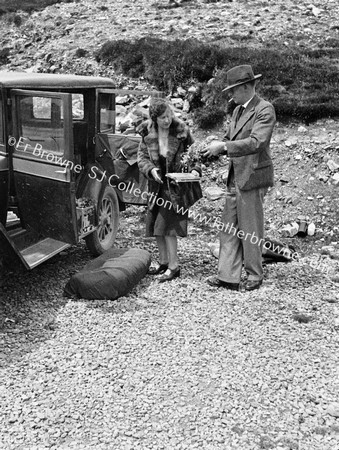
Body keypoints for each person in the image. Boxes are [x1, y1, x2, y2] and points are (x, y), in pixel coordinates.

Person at [202, 65, 276, 291]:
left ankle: (255, 275)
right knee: (228, 227)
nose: (231, 95)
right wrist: (211, 147)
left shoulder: (265, 109)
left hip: (252, 176)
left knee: (250, 228)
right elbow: (229, 138)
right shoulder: (236, 111)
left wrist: (223, 146)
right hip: (235, 177)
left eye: (233, 90)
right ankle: (228, 276)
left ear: (245, 87)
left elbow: (257, 143)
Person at [137, 98, 202, 282]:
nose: (167, 120)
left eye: (169, 115)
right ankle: (163, 262)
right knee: (157, 226)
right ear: (154, 119)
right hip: (156, 186)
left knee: (169, 227)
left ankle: (174, 266)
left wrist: (196, 169)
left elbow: (194, 154)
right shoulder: (146, 132)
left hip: (175, 188)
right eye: (163, 117)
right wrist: (151, 169)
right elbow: (141, 157)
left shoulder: (181, 131)